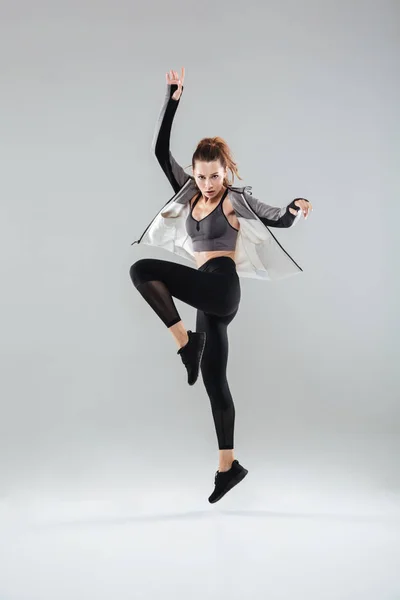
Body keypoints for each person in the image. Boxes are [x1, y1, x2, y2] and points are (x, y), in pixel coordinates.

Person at [129, 67, 313, 503]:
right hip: (205, 298)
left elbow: (278, 218)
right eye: (202, 176)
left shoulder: (234, 199)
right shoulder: (188, 191)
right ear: (193, 173)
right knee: (215, 382)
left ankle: (186, 345)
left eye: (215, 176)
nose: (209, 184)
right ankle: (228, 467)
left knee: (142, 271)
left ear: (224, 173)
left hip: (221, 286)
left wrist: (296, 206)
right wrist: (173, 100)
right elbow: (159, 150)